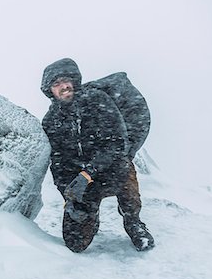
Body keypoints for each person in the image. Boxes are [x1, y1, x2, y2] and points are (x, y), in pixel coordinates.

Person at [40, 58, 155, 253]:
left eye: (66, 81)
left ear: (74, 81)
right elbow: (58, 161)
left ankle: (133, 221)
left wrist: (89, 172)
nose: (63, 87)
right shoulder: (51, 121)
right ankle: (91, 217)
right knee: (75, 245)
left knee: (125, 169)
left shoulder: (97, 100)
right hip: (82, 179)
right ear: (50, 91)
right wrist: (68, 196)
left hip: (109, 167)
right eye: (56, 84)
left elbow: (117, 143)